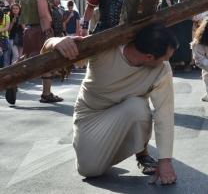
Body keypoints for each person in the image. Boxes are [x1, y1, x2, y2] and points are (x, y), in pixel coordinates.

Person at [42, 24, 178, 183]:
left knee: (138, 107)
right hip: (90, 115)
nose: (167, 62)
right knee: (89, 170)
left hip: (127, 113)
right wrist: (56, 42)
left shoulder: (162, 69)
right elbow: (45, 50)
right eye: (165, 58)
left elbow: (165, 114)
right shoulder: (104, 47)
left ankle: (142, 153)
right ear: (149, 57)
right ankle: (99, 155)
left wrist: (165, 161)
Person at [168, 0, 193, 72]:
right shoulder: (177, 6)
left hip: (187, 27)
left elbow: (191, 16)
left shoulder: (190, 6)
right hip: (178, 27)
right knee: (178, 44)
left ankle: (187, 64)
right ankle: (176, 63)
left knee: (186, 45)